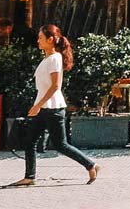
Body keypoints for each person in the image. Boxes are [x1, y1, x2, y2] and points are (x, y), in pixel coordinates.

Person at [11, 24, 98, 187]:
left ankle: (91, 165)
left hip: (53, 109)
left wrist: (38, 105)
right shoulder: (47, 59)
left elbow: (55, 86)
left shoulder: (55, 58)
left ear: (50, 40)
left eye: (41, 38)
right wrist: (38, 106)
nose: (38, 41)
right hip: (43, 108)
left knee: (61, 144)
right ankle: (29, 177)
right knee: (30, 141)